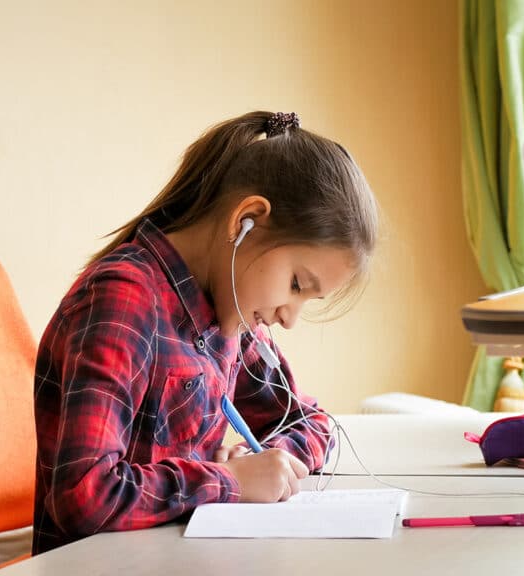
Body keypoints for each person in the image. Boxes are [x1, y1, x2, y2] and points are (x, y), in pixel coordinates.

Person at [32, 110, 379, 554]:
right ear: (246, 220)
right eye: (296, 284)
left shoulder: (229, 314)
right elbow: (85, 495)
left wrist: (273, 461)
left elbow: (309, 422)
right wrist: (230, 481)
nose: (290, 319)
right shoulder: (123, 300)